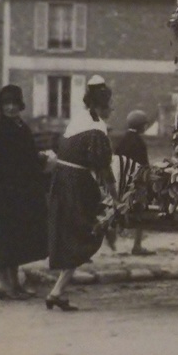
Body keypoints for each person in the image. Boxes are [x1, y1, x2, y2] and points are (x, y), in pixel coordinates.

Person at [46, 75, 116, 311]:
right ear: (99, 106)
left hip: (63, 180)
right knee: (85, 232)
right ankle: (57, 291)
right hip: (75, 185)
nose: (111, 110)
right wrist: (113, 191)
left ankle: (59, 292)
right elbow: (102, 165)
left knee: (72, 235)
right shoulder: (96, 128)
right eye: (108, 106)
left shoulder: (78, 119)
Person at [0, 85, 52, 300]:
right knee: (2, 240)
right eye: (6, 104)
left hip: (22, 191)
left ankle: (15, 284)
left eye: (14, 103)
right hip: (3, 191)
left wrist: (40, 159)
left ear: (20, 105)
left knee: (16, 240)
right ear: (1, 106)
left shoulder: (21, 126)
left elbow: (26, 156)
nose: (10, 108)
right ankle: (4, 286)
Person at [114, 110, 153, 256]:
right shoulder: (139, 142)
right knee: (139, 212)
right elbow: (144, 165)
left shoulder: (122, 140)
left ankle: (115, 245)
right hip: (136, 183)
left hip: (121, 181)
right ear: (141, 126)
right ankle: (137, 246)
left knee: (119, 211)